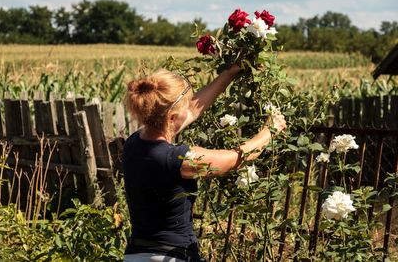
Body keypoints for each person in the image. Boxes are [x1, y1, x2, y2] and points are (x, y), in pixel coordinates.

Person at [122, 65, 286, 262]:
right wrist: (270, 131)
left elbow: (192, 109)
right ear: (172, 117)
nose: (188, 107)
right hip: (171, 256)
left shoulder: (133, 143)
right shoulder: (179, 160)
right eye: (183, 105)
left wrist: (230, 72)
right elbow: (237, 158)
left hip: (135, 256)